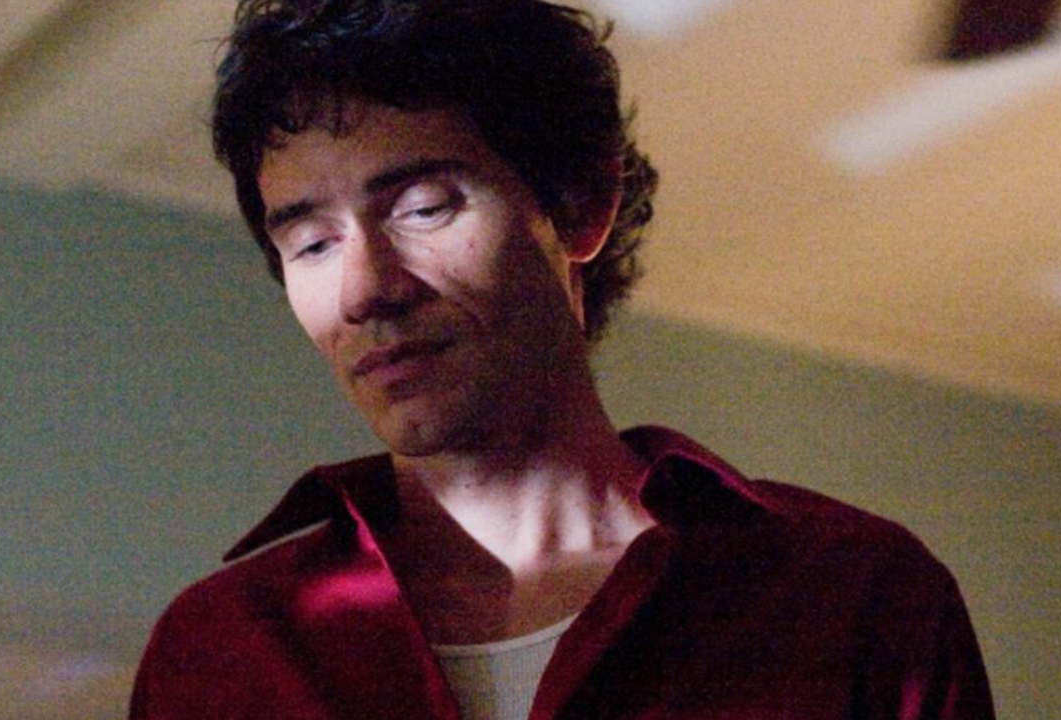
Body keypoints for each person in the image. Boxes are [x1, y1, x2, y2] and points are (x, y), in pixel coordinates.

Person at [129, 0, 995, 718]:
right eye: (312, 243)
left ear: (581, 206)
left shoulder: (852, 594)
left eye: (424, 206)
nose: (365, 289)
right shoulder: (219, 652)